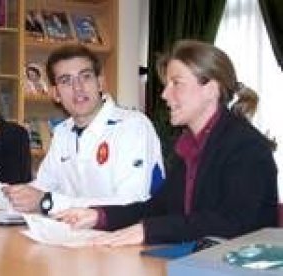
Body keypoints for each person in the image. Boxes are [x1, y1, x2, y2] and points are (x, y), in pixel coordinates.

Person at [55, 40, 278, 246]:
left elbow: (233, 222)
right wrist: (99, 216)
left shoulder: (246, 147)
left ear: (211, 89)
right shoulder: (189, 147)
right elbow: (158, 208)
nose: (164, 94)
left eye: (176, 83)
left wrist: (149, 230)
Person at [3, 45, 164, 215]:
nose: (77, 88)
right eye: (66, 81)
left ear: (100, 83)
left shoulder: (133, 126)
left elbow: (130, 202)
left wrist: (49, 202)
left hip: (131, 236)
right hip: (79, 235)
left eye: (85, 77)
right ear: (55, 94)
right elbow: (44, 186)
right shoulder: (62, 132)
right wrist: (14, 194)